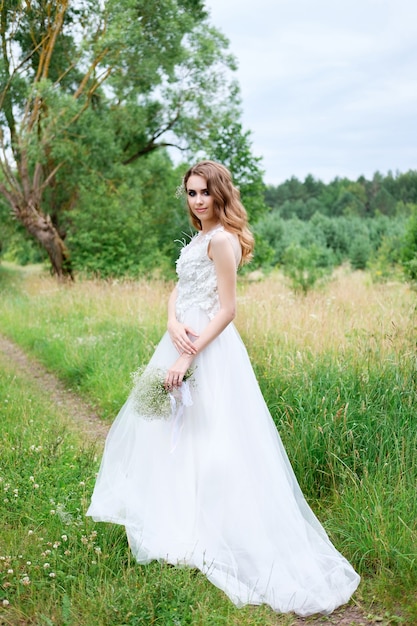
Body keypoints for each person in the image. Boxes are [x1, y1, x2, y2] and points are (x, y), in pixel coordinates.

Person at [87, 161, 360, 616]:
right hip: (180, 337)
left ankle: (221, 529)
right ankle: (178, 521)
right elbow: (179, 289)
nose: (196, 201)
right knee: (170, 436)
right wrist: (172, 321)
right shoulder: (197, 238)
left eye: (204, 194)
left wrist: (188, 355)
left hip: (207, 350)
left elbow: (228, 309)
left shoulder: (223, 240)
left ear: (220, 195)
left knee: (214, 439)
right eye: (191, 193)